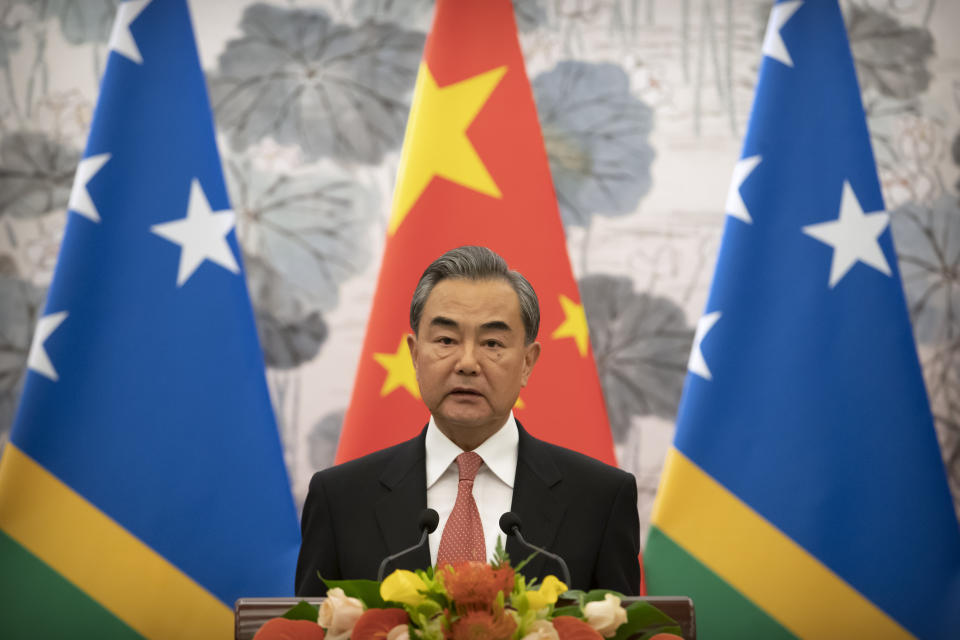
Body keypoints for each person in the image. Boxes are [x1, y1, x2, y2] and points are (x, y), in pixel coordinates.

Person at [295, 246, 641, 596]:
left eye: (492, 343)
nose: (468, 363)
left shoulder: (599, 500)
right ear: (415, 355)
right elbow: (305, 629)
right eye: (446, 340)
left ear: (527, 363)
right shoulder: (341, 500)